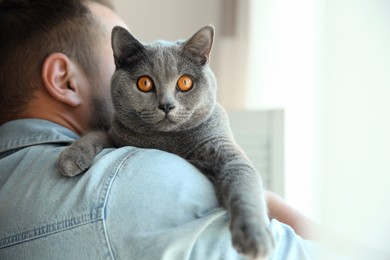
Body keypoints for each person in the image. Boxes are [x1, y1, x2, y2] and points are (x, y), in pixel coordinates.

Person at [0, 0, 322, 259]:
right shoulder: (135, 185)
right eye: (143, 81)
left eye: (183, 83)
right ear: (64, 79)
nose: (165, 103)